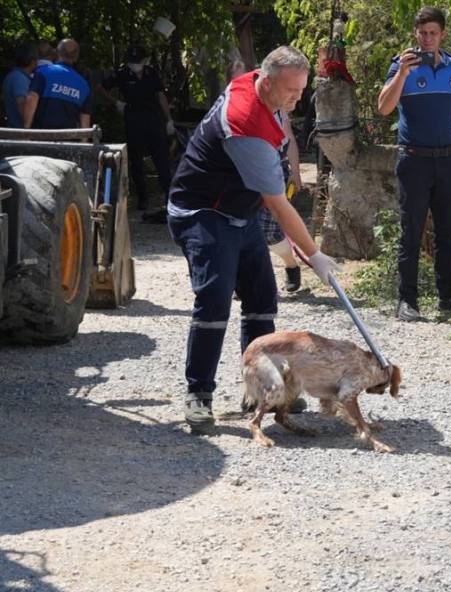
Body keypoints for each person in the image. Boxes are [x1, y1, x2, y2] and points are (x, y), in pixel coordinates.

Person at [167, 45, 339, 432]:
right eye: (291, 91)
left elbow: (281, 126)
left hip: (238, 213)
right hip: (202, 211)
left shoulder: (260, 87)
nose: (297, 99)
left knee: (262, 297)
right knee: (214, 298)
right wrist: (314, 255)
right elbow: (278, 205)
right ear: (265, 80)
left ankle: (263, 390)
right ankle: (199, 395)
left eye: (301, 90)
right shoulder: (245, 123)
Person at [377, 5, 451, 322]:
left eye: (433, 33)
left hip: (447, 160)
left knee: (448, 232)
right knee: (411, 231)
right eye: (422, 33)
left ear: (442, 34)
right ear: (415, 34)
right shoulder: (400, 66)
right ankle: (407, 302)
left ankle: (448, 300)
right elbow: (383, 108)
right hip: (414, 161)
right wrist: (403, 74)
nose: (427, 38)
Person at [99, 46, 175, 212]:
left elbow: (161, 95)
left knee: (161, 159)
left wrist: (168, 119)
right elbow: (101, 87)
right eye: (132, 62)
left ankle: (170, 197)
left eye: (137, 62)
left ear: (144, 61)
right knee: (136, 162)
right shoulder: (122, 74)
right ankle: (143, 200)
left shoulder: (151, 73)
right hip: (133, 119)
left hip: (154, 120)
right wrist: (116, 103)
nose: (135, 65)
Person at [259, 110, 306, 293]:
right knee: (246, 228)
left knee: (270, 232)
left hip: (275, 170)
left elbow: (290, 140)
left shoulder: (278, 109)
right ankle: (248, 279)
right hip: (248, 169)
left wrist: (295, 173)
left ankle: (291, 265)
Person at [22, 39, 90, 130]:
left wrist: (25, 131)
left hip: (41, 137)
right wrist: (83, 143)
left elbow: (32, 98)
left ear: (57, 53)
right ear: (76, 57)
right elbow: (85, 118)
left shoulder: (43, 72)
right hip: (69, 140)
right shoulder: (84, 85)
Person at [2, 43, 36, 128]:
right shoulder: (19, 78)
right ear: (32, 61)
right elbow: (21, 104)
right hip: (19, 133)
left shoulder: (14, 75)